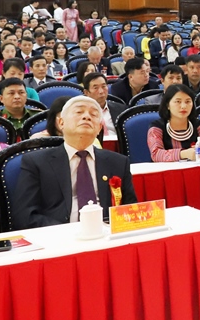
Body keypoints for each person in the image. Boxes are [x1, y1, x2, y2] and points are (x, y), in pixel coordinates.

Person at [12, 96, 135, 229]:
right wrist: (69, 232)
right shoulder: (36, 162)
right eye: (79, 112)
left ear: (99, 128)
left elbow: (130, 210)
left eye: (93, 114)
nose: (87, 117)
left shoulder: (118, 162)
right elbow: (24, 215)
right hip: (59, 235)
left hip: (107, 234)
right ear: (61, 123)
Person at [147, 84, 200, 162]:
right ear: (167, 105)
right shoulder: (157, 127)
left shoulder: (198, 125)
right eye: (178, 102)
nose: (183, 106)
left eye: (188, 101)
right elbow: (156, 154)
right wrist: (184, 154)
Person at [81, 72, 125, 140]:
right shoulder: (80, 114)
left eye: (104, 86)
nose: (101, 91)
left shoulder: (121, 109)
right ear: (86, 92)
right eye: (96, 88)